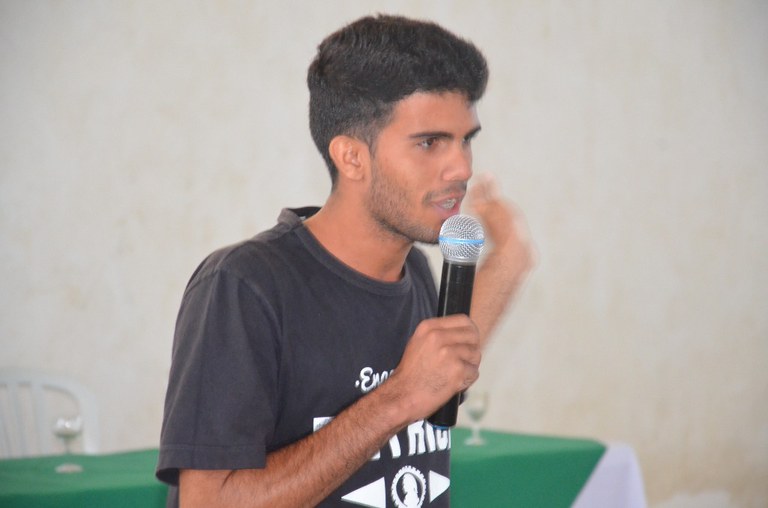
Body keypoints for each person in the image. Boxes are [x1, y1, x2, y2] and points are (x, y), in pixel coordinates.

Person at [156, 14, 533, 508]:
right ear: (352, 157)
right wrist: (397, 399)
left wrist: (511, 259)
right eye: (429, 143)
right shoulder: (245, 286)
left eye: (467, 139)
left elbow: (443, 366)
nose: (461, 167)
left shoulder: (416, 273)